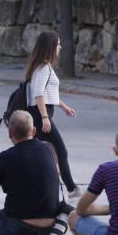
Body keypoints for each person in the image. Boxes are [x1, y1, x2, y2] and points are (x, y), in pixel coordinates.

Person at [25, 30, 81, 199]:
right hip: (39, 114)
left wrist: (63, 106)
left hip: (39, 113)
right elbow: (39, 94)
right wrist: (44, 118)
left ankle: (40, 184)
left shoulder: (42, 66)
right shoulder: (43, 68)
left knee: (42, 152)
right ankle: (71, 188)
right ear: (50, 47)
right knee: (60, 151)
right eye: (57, 44)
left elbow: (49, 93)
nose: (60, 47)